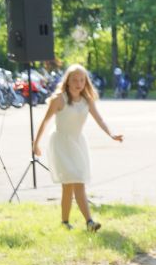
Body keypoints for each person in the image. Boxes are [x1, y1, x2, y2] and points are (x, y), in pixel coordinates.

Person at [32, 64, 123, 231]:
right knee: (73, 182)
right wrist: (36, 143)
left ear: (86, 82)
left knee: (73, 182)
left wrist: (111, 134)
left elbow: (100, 119)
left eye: (82, 80)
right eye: (74, 80)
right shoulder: (59, 99)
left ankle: (65, 222)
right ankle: (89, 222)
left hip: (78, 143)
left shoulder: (87, 99)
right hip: (61, 143)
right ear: (67, 81)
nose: (78, 83)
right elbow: (44, 122)